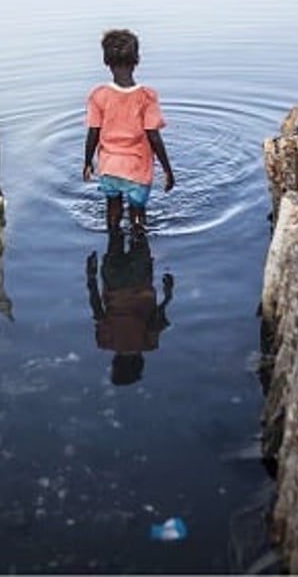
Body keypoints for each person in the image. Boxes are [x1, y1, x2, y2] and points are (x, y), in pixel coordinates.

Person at [82, 29, 175, 232]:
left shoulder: (98, 95)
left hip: (109, 168)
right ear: (137, 60)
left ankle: (112, 245)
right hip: (137, 171)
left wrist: (88, 162)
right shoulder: (147, 97)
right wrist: (167, 169)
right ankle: (139, 246)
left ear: (106, 60)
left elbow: (93, 134)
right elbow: (154, 137)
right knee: (137, 214)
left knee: (112, 209)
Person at [87, 230, 173, 386]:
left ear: (139, 365)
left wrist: (168, 295)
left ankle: (138, 207)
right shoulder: (104, 342)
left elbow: (156, 318)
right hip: (113, 279)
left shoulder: (149, 344)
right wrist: (91, 277)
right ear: (115, 363)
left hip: (140, 280)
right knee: (114, 232)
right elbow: (97, 308)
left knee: (139, 231)